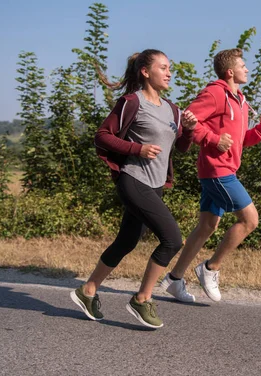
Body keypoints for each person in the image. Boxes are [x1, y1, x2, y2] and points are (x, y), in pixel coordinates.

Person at [70, 49, 197, 329]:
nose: (169, 73)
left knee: (127, 241)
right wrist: (136, 148)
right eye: (163, 67)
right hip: (133, 179)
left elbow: (182, 148)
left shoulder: (172, 109)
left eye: (169, 68)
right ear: (145, 71)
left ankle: (87, 290)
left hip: (155, 185)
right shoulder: (131, 102)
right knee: (173, 240)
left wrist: (187, 130)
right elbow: (102, 136)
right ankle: (141, 299)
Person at [159, 48, 261, 303]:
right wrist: (212, 139)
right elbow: (187, 121)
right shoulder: (215, 93)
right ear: (230, 71)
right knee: (249, 221)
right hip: (217, 171)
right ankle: (211, 268)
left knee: (207, 226)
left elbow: (240, 141)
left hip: (225, 169)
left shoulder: (241, 100)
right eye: (243, 65)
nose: (247, 69)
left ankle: (175, 279)